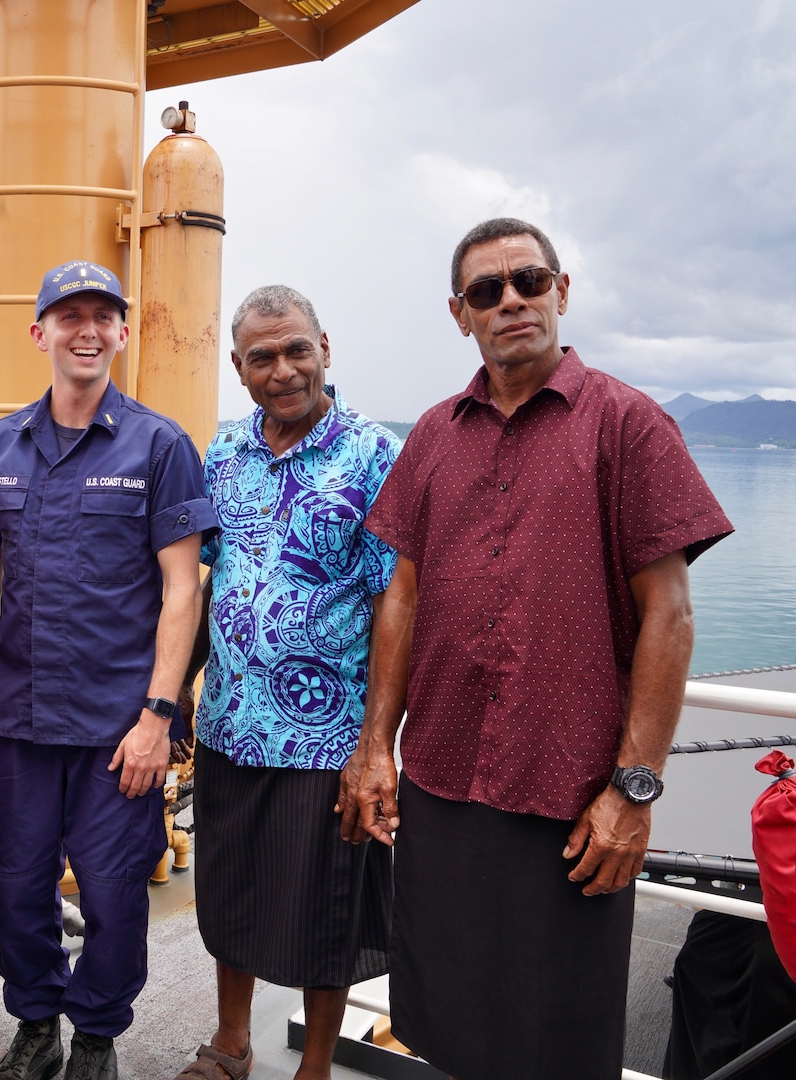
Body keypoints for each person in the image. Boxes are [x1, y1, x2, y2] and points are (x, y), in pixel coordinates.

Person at [341, 217, 734, 1080]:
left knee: (557, 1035)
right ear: (460, 313)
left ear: (562, 291)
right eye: (488, 290)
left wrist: (634, 789)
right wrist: (376, 747)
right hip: (442, 776)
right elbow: (401, 596)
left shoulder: (631, 424)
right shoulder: (435, 434)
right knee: (443, 1013)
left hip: (570, 794)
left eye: (528, 280)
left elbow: (669, 614)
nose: (511, 300)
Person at [0, 260, 215, 1080]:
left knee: (111, 893)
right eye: (68, 315)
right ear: (39, 332)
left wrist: (158, 716)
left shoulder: (159, 443)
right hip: (18, 722)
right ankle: (36, 1026)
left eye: (103, 316)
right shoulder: (0, 445)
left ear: (122, 332)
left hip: (118, 728)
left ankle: (97, 1036)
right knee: (23, 885)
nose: (87, 330)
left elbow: (183, 589)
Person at [177, 286, 399, 1080]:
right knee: (229, 889)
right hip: (231, 721)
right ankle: (231, 1039)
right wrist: (173, 697)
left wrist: (377, 742)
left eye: (296, 349)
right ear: (239, 368)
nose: (283, 369)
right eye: (262, 357)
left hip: (326, 730)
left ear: (325, 348)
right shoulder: (225, 450)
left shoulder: (373, 454)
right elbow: (202, 584)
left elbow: (393, 603)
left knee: (323, 907)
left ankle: (312, 1066)